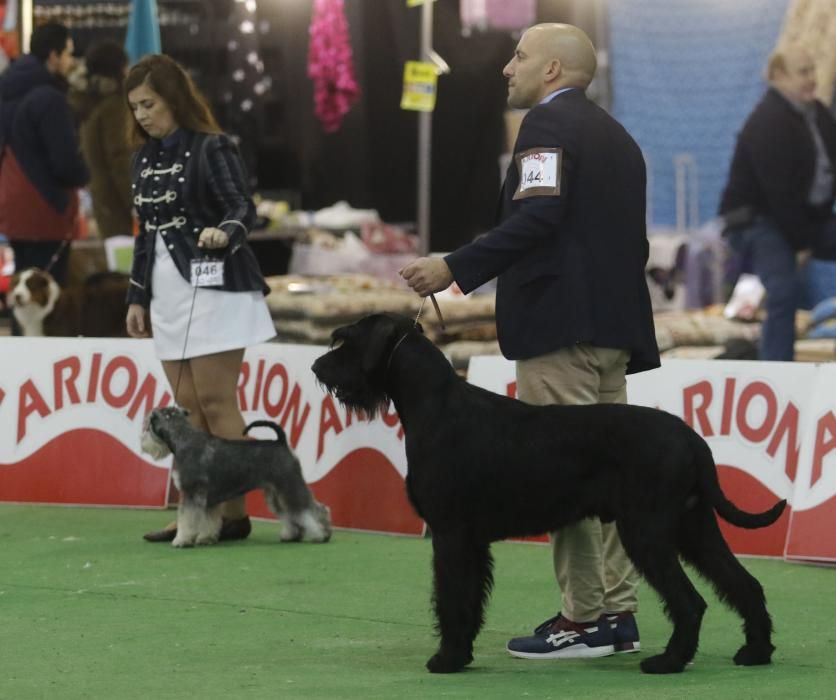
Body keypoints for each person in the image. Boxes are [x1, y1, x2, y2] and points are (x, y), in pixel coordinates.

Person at [400, 23, 660, 660]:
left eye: (518, 56)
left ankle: (585, 618)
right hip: (612, 329)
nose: (505, 68)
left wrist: (453, 267)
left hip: (559, 330)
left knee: (566, 477)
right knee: (613, 476)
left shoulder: (546, 128)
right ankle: (616, 613)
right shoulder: (620, 137)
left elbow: (537, 218)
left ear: (551, 70)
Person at [124, 54, 277, 543]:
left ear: (174, 98)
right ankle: (201, 510)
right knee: (185, 408)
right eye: (134, 108)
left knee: (214, 400)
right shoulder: (142, 159)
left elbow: (241, 206)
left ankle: (240, 509)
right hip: (166, 291)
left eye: (148, 103)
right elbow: (144, 235)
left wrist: (226, 231)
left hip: (217, 284)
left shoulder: (213, 147)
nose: (142, 115)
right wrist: (136, 298)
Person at [719, 46, 836, 361]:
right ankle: (776, 371)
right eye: (802, 72)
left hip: (802, 217)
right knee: (783, 290)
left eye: (812, 70)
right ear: (778, 77)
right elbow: (779, 193)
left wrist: (811, 231)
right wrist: (802, 244)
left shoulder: (819, 115)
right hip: (757, 220)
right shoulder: (767, 122)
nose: (811, 78)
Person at [0, 22, 89, 333]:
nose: (70, 61)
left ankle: (14, 372)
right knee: (51, 303)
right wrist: (83, 173)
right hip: (45, 209)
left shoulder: (6, 89)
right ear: (53, 55)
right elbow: (64, 162)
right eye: (68, 53)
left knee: (19, 293)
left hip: (12, 207)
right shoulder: (48, 98)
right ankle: (49, 372)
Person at [69, 39, 133, 240]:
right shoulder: (113, 106)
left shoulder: (90, 101)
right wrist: (136, 202)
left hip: (103, 197)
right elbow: (120, 158)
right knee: (126, 264)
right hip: (116, 200)